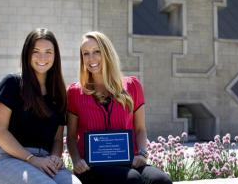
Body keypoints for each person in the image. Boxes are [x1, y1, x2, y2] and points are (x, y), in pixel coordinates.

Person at [67, 31, 172, 184]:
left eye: (97, 51)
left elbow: (140, 129)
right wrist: (76, 161)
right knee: (131, 179)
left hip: (130, 160)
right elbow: (70, 137)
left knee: (161, 180)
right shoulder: (75, 92)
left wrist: (142, 154)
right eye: (86, 53)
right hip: (92, 167)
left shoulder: (133, 86)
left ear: (107, 53)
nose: (91, 58)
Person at [0, 28, 81, 184]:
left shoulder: (58, 93)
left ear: (55, 56)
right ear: (27, 54)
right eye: (36, 51)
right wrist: (31, 159)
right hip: (8, 159)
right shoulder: (12, 83)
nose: (42, 57)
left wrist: (55, 157)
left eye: (48, 52)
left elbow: (57, 139)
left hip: (45, 161)